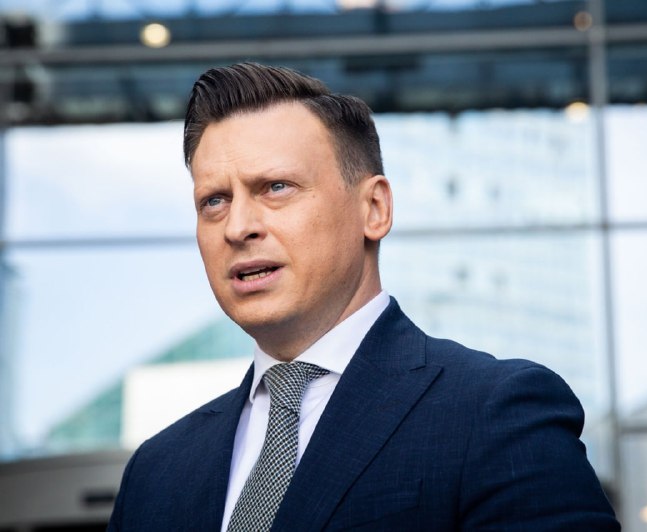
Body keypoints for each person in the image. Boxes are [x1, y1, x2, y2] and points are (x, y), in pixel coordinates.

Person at [108, 62, 620, 531]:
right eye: (214, 201)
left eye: (276, 187)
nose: (238, 227)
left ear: (374, 208)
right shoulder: (156, 474)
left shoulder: (496, 413)